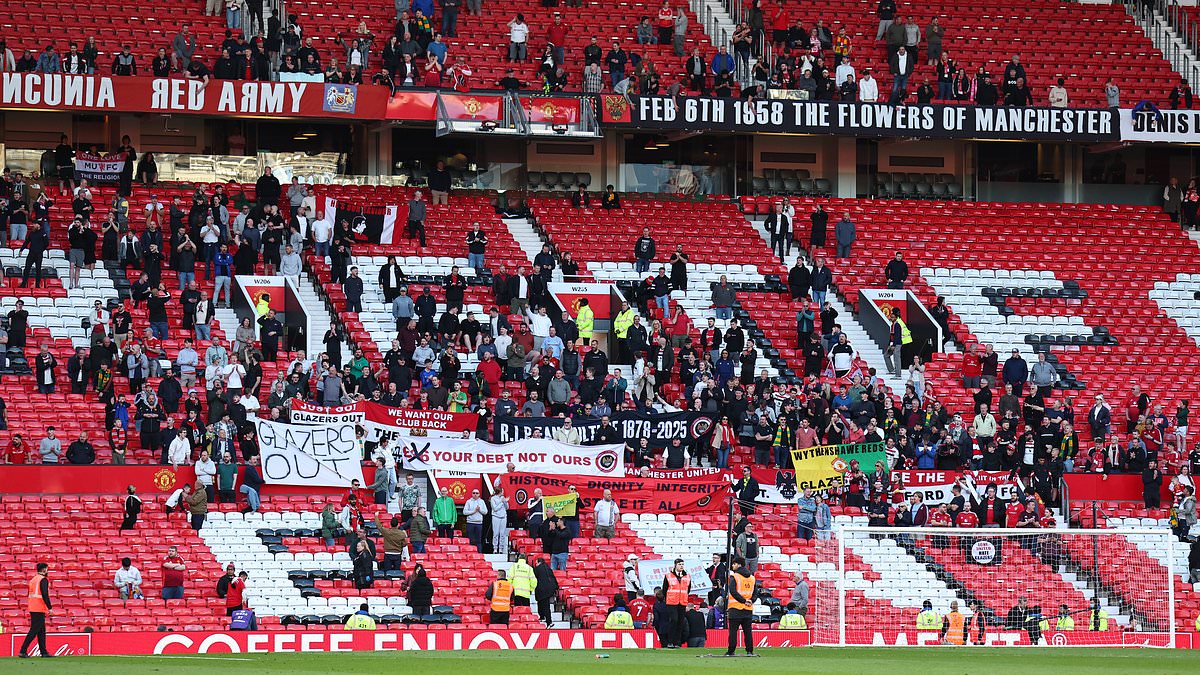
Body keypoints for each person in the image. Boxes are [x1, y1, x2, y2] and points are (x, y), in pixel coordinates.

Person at [724, 556, 758, 657]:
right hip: (748, 608)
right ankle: (749, 651)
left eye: (734, 564)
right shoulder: (752, 578)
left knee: (733, 632)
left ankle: (731, 651)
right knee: (748, 631)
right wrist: (750, 601)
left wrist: (743, 601)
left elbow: (733, 591)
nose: (733, 566)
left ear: (739, 564)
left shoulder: (734, 576)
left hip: (735, 608)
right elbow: (755, 592)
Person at [18, 562, 52, 658]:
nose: (47, 570)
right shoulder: (43, 580)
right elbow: (45, 595)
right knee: (34, 630)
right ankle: (23, 650)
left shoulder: (33, 579)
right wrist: (50, 608)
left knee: (41, 631)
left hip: (33, 607)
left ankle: (44, 652)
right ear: (44, 569)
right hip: (39, 607)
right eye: (47, 568)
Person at [662, 558, 691, 648]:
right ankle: (670, 641)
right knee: (673, 620)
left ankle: (677, 642)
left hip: (682, 602)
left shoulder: (687, 576)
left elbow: (688, 589)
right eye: (679, 564)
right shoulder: (668, 576)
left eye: (682, 564)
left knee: (680, 622)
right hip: (671, 602)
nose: (681, 566)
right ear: (675, 565)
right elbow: (664, 589)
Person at [532, 556, 558, 626]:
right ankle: (543, 617)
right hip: (550, 588)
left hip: (542, 589)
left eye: (536, 563)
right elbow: (553, 578)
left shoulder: (537, 569)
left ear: (539, 563)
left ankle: (548, 621)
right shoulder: (548, 568)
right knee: (543, 603)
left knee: (545, 605)